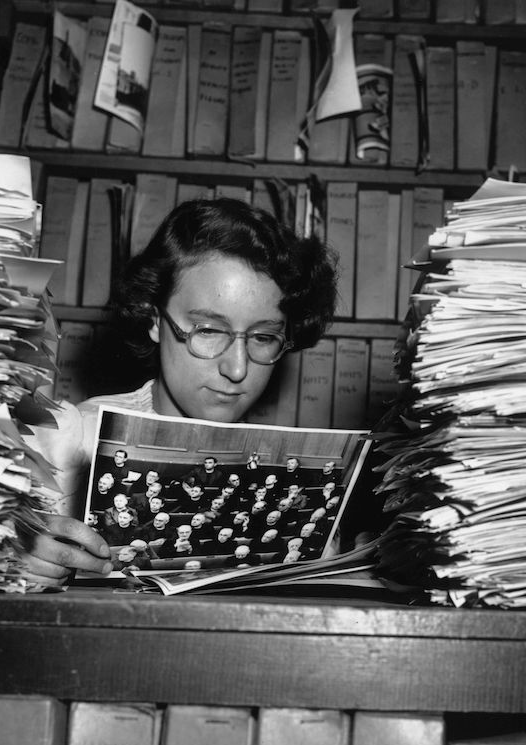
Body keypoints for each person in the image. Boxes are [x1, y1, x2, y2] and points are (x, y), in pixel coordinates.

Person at [17, 199, 336, 586]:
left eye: (264, 337)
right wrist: (15, 557)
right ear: (155, 320)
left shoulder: (293, 472)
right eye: (208, 330)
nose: (237, 369)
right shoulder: (71, 439)